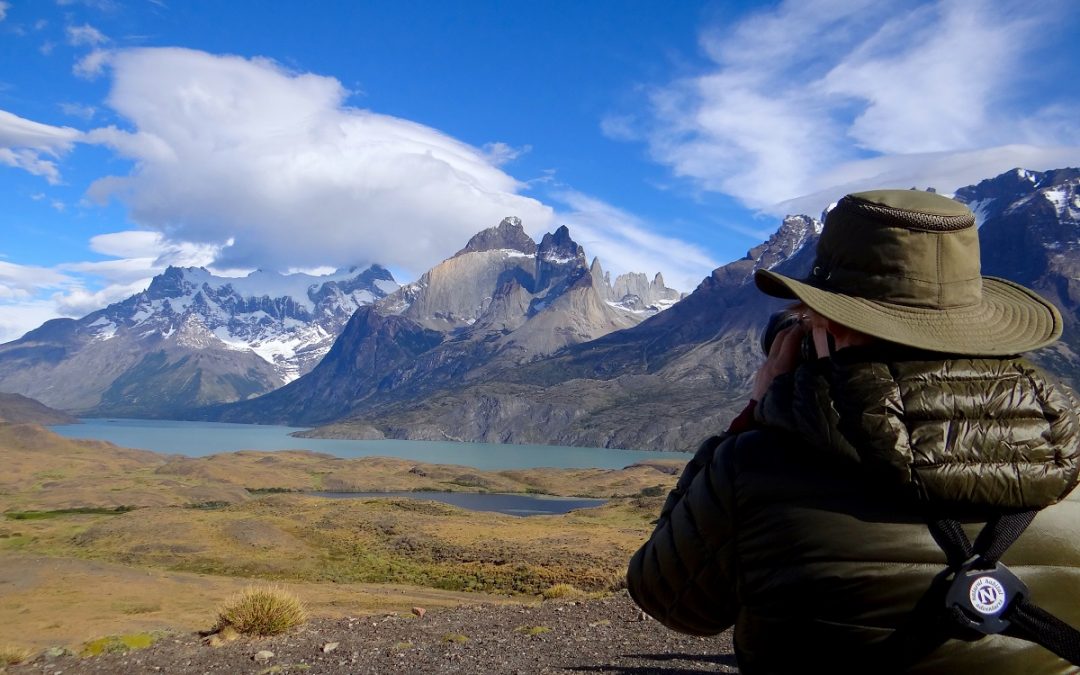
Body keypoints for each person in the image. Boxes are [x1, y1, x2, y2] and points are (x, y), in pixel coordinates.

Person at [626, 189, 1080, 674]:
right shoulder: (1072, 459)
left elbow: (669, 600)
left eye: (808, 321)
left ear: (831, 329)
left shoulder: (756, 466)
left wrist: (753, 413)